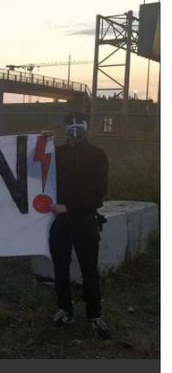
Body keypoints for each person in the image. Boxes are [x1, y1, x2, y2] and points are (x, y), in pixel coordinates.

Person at [49, 112, 110, 340]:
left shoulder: (97, 155)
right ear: (64, 127)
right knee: (60, 268)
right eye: (70, 123)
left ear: (87, 126)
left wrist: (69, 207)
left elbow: (98, 193)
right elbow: (35, 174)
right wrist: (39, 143)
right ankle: (65, 309)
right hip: (60, 223)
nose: (74, 127)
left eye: (79, 123)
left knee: (89, 270)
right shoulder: (56, 154)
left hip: (84, 220)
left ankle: (95, 315)